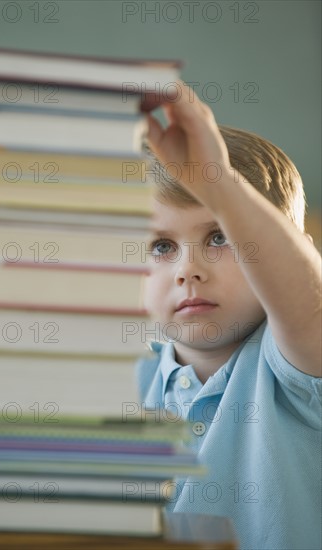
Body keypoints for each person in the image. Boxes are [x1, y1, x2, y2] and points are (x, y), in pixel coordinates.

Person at [137, 81, 321, 550]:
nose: (187, 271)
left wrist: (217, 180)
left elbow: (307, 300)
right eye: (161, 246)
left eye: (219, 237)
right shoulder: (127, 379)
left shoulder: (297, 367)